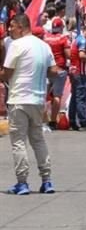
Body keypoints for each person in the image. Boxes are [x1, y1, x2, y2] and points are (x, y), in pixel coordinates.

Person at [2, 14, 57, 195]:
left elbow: (6, 74)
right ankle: (47, 180)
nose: (9, 29)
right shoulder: (44, 46)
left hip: (19, 99)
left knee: (18, 142)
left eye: (12, 26)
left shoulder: (16, 45)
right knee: (38, 140)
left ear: (22, 26)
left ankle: (22, 182)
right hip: (38, 100)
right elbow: (54, 71)